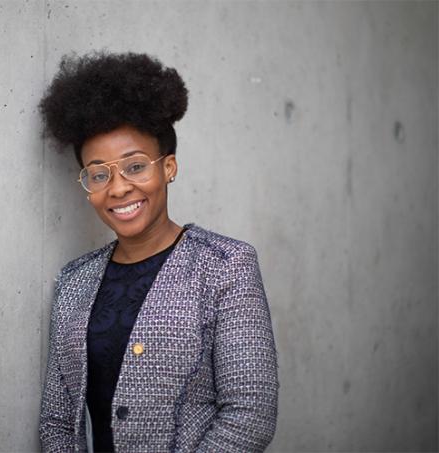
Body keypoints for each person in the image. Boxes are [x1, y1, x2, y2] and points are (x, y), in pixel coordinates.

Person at [37, 51, 279, 453]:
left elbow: (250, 414)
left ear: (168, 167)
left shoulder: (225, 267)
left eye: (134, 166)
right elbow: (58, 420)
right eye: (99, 174)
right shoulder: (73, 283)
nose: (117, 189)